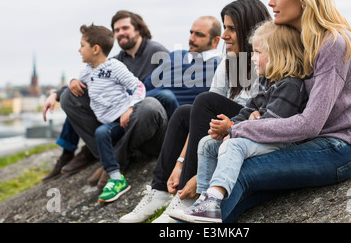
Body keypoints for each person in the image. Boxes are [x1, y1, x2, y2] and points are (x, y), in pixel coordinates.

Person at [215, 0, 351, 223]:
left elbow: (310, 124)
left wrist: (236, 128)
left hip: (340, 147)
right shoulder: (299, 41)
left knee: (241, 172)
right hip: (306, 143)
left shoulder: (333, 42)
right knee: (230, 181)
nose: (270, 2)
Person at [119, 0, 272, 223]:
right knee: (184, 113)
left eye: (232, 29)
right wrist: (180, 164)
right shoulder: (229, 61)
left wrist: (197, 175)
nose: (226, 35)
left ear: (251, 30)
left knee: (204, 101)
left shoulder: (265, 60)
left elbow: (262, 112)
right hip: (226, 125)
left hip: (247, 129)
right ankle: (160, 191)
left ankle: (190, 197)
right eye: (225, 27)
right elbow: (200, 115)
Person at [168, 21, 308, 223]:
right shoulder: (266, 81)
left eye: (258, 52)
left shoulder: (291, 84)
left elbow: (273, 125)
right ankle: (201, 200)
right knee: (206, 143)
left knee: (234, 145)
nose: (252, 58)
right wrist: (227, 127)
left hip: (282, 143)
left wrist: (233, 129)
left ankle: (213, 200)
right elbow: (249, 109)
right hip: (261, 136)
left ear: (279, 55)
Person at [42, 11, 169, 183]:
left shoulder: (157, 52)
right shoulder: (116, 60)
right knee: (70, 96)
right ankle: (95, 156)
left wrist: (132, 104)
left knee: (153, 101)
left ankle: (113, 160)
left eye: (125, 28)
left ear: (138, 29)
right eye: (116, 30)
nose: (120, 33)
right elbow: (90, 77)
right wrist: (56, 93)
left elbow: (166, 89)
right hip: (118, 117)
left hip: (146, 115)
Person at [73, 23, 145, 202]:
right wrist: (73, 81)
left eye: (83, 45)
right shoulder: (88, 70)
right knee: (101, 132)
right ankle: (110, 170)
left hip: (122, 121)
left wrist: (130, 108)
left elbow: (138, 87)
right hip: (105, 121)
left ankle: (116, 179)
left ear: (95, 49)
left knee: (102, 133)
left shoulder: (114, 67)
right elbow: (77, 80)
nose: (79, 50)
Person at [144, 16, 222, 118]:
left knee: (166, 96)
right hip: (146, 107)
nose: (191, 38)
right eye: (191, 33)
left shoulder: (220, 66)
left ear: (215, 41)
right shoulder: (175, 55)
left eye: (199, 35)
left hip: (175, 119)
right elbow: (146, 85)